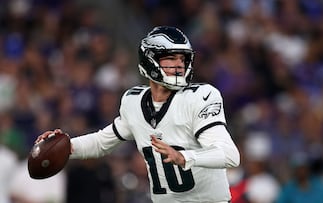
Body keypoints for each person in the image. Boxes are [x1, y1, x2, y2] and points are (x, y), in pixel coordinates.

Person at [36, 26, 240, 203]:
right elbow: (101, 142)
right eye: (171, 58)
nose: (179, 65)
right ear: (149, 60)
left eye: (183, 58)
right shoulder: (133, 101)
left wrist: (185, 157)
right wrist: (66, 146)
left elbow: (230, 155)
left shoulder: (200, 96)